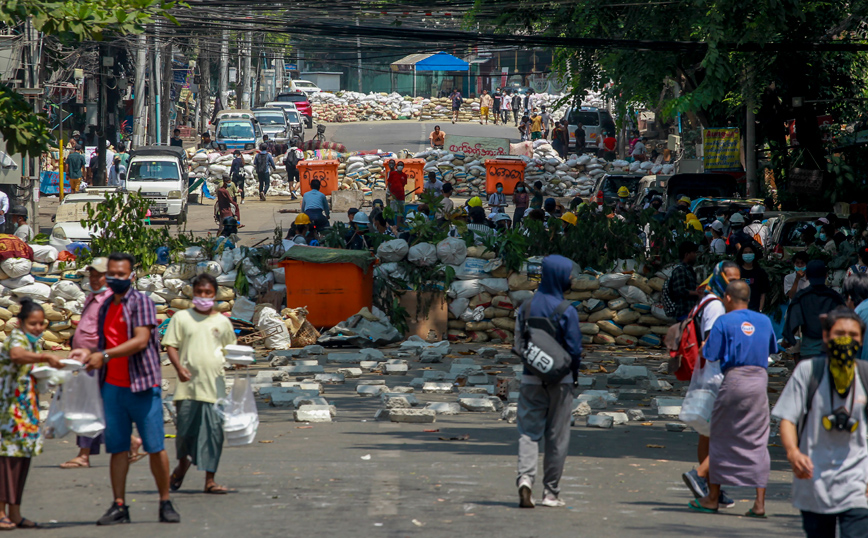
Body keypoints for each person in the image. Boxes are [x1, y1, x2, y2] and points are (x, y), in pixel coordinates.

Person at [72, 252, 180, 525]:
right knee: (118, 449)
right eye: (113, 274)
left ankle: (165, 501)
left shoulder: (140, 302)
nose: (116, 279)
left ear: (132, 275)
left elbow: (141, 340)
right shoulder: (106, 305)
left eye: (122, 274)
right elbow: (104, 342)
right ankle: (119, 505)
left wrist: (105, 355)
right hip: (112, 387)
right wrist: (87, 355)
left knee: (155, 447)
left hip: (142, 384)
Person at [773, 307, 868, 537]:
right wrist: (793, 453)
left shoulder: (865, 375)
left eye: (853, 335)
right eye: (839, 333)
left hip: (857, 484)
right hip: (814, 481)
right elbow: (788, 418)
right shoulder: (809, 371)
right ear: (826, 336)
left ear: (862, 339)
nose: (846, 340)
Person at [688, 280, 777, 517]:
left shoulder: (723, 321)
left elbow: (711, 354)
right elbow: (770, 349)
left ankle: (713, 497)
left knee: (718, 436)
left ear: (727, 298)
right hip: (759, 383)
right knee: (758, 439)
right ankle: (759, 504)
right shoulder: (765, 321)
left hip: (734, 380)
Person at [60, 258, 145, 469]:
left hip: (99, 361)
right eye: (92, 275)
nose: (95, 279)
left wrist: (97, 354)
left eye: (99, 275)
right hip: (86, 360)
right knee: (97, 407)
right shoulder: (93, 297)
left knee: (91, 407)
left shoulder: (109, 301)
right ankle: (130, 443)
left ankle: (84, 455)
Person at [514, 255, 582, 508]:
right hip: (561, 381)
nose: (572, 278)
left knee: (528, 433)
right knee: (557, 437)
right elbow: (575, 350)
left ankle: (525, 480)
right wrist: (573, 376)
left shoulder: (526, 307)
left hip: (530, 379)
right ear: (559, 276)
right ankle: (551, 493)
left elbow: (519, 343)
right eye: (569, 274)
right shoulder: (567, 311)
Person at [164, 273, 236, 495]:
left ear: (215, 295)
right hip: (187, 388)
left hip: (215, 388)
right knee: (185, 433)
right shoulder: (181, 318)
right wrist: (179, 368)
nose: (203, 296)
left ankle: (210, 480)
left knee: (214, 434)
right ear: (193, 294)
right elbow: (171, 346)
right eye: (199, 292)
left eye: (208, 293)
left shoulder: (222, 322)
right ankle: (183, 465)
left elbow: (231, 351)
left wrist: (239, 362)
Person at [681, 261, 741, 509]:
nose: (735, 282)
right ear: (719, 277)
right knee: (722, 435)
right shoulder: (716, 305)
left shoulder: (708, 300)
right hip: (716, 376)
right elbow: (710, 344)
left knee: (708, 433)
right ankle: (703, 478)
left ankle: (711, 488)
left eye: (738, 278)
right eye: (730, 277)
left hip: (708, 375)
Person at [0, 299, 63, 529]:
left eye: (41, 324)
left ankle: (15, 512)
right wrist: (46, 358)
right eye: (32, 324)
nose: (37, 328)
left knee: (23, 460)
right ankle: (0, 512)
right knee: (7, 461)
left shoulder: (35, 343)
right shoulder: (17, 339)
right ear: (21, 323)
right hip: (10, 411)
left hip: (28, 409)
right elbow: (17, 355)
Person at [784, 260, 846, 363]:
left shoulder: (801, 297)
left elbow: (792, 322)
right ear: (826, 276)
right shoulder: (835, 298)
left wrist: (787, 340)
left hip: (808, 352)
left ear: (807, 277)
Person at [667, 241, 701, 321]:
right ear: (686, 254)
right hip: (684, 312)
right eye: (694, 253)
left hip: (691, 312)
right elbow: (679, 291)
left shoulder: (689, 270)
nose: (695, 255)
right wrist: (697, 293)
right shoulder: (680, 270)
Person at [737, 244, 770, 312]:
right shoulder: (736, 271)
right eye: (745, 252)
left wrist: (760, 309)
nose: (748, 254)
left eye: (750, 252)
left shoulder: (760, 272)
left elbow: (763, 293)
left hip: (754, 310)